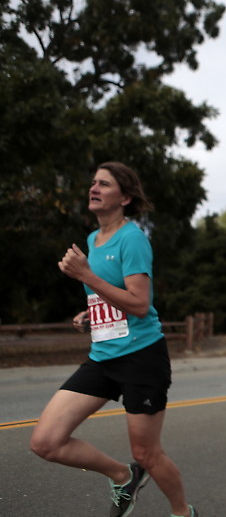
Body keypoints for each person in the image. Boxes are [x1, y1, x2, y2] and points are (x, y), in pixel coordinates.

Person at [30, 162, 197, 517]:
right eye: (93, 182)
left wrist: (86, 275)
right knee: (46, 441)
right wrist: (91, 313)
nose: (94, 188)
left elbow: (139, 304)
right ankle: (123, 476)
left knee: (147, 453)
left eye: (104, 184)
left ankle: (183, 512)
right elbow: (111, 294)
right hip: (103, 356)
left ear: (125, 198)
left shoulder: (132, 239)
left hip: (141, 358)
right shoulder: (93, 240)